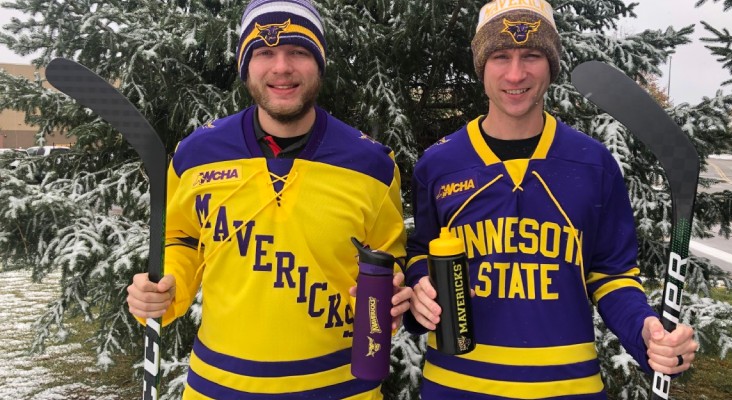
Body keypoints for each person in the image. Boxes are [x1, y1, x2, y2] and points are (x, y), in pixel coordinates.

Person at [404, 1, 698, 399]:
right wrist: (420, 286)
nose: (515, 73)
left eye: (532, 56)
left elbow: (611, 275)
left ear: (552, 63)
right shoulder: (439, 164)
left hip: (568, 388)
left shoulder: (594, 164)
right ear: (481, 66)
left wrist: (645, 331)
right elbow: (421, 252)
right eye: (500, 56)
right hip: (456, 387)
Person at [126, 0, 411, 398]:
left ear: (319, 63)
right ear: (246, 65)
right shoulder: (195, 155)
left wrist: (395, 296)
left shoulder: (371, 164)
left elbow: (389, 260)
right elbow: (181, 237)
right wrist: (164, 288)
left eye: (298, 51)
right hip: (218, 386)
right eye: (264, 52)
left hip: (341, 388)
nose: (281, 67)